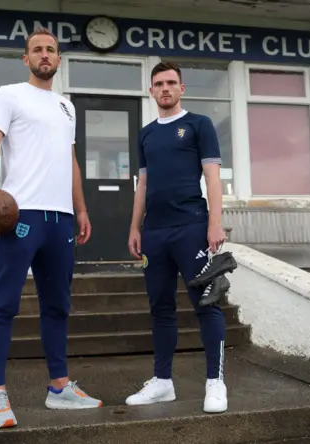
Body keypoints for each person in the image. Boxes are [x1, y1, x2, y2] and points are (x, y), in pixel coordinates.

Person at [0, 28, 103, 429]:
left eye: (51, 50)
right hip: (21, 217)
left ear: (59, 60)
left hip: (61, 220)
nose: (44, 55)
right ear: (26, 59)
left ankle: (59, 387)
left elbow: (70, 161)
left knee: (57, 305)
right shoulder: (9, 95)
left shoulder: (67, 107)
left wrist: (81, 208)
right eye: (37, 50)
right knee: (3, 304)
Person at [126, 61, 231, 414]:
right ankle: (162, 382)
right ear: (151, 91)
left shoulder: (199, 125)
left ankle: (215, 383)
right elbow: (143, 184)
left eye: (172, 82)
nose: (165, 88)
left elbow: (213, 179)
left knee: (207, 303)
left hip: (191, 226)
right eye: (159, 83)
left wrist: (215, 223)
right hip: (154, 232)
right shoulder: (146, 134)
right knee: (161, 308)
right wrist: (134, 227)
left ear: (181, 89)